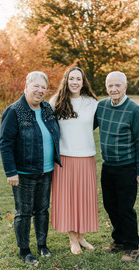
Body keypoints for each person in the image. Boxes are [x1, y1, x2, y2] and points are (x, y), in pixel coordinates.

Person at [0, 71, 61, 265]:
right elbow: (5, 143)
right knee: (24, 212)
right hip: (24, 173)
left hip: (46, 170)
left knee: (42, 210)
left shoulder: (47, 109)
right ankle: (24, 250)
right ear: (26, 87)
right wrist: (11, 172)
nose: (40, 90)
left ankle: (42, 245)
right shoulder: (14, 110)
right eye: (36, 86)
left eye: (43, 87)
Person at [94, 71, 139, 262]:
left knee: (125, 208)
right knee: (110, 206)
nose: (114, 89)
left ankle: (131, 246)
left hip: (127, 167)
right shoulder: (101, 106)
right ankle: (118, 240)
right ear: (106, 87)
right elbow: (84, 125)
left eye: (118, 85)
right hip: (108, 167)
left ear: (125, 86)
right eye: (110, 85)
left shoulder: (134, 110)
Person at [49, 66, 99, 255]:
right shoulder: (56, 101)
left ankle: (81, 236)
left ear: (83, 81)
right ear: (66, 81)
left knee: (84, 199)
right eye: (71, 79)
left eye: (78, 79)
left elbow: (94, 124)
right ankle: (72, 239)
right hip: (64, 158)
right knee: (69, 200)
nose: (75, 82)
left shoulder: (92, 103)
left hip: (86, 157)